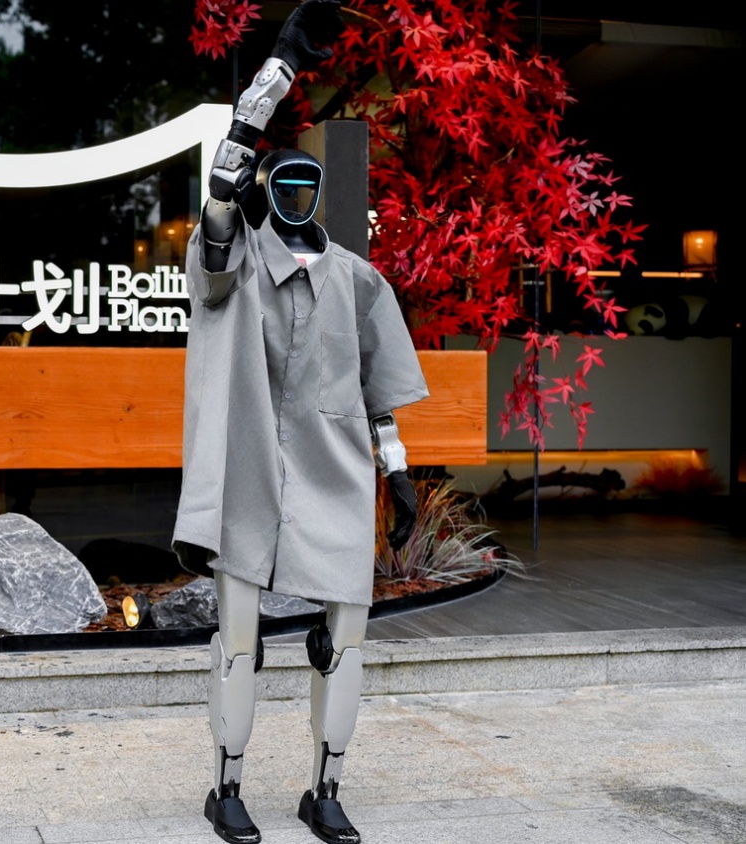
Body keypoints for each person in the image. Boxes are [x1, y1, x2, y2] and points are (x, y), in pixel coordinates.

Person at [171, 3, 429, 842]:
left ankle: (326, 789)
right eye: (279, 185)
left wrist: (398, 471)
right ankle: (226, 786)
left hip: (335, 467)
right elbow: (221, 197)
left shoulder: (357, 278)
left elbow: (378, 384)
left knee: (346, 636)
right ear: (265, 191)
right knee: (239, 636)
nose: (293, 195)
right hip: (250, 468)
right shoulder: (233, 263)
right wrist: (275, 73)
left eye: (304, 186)